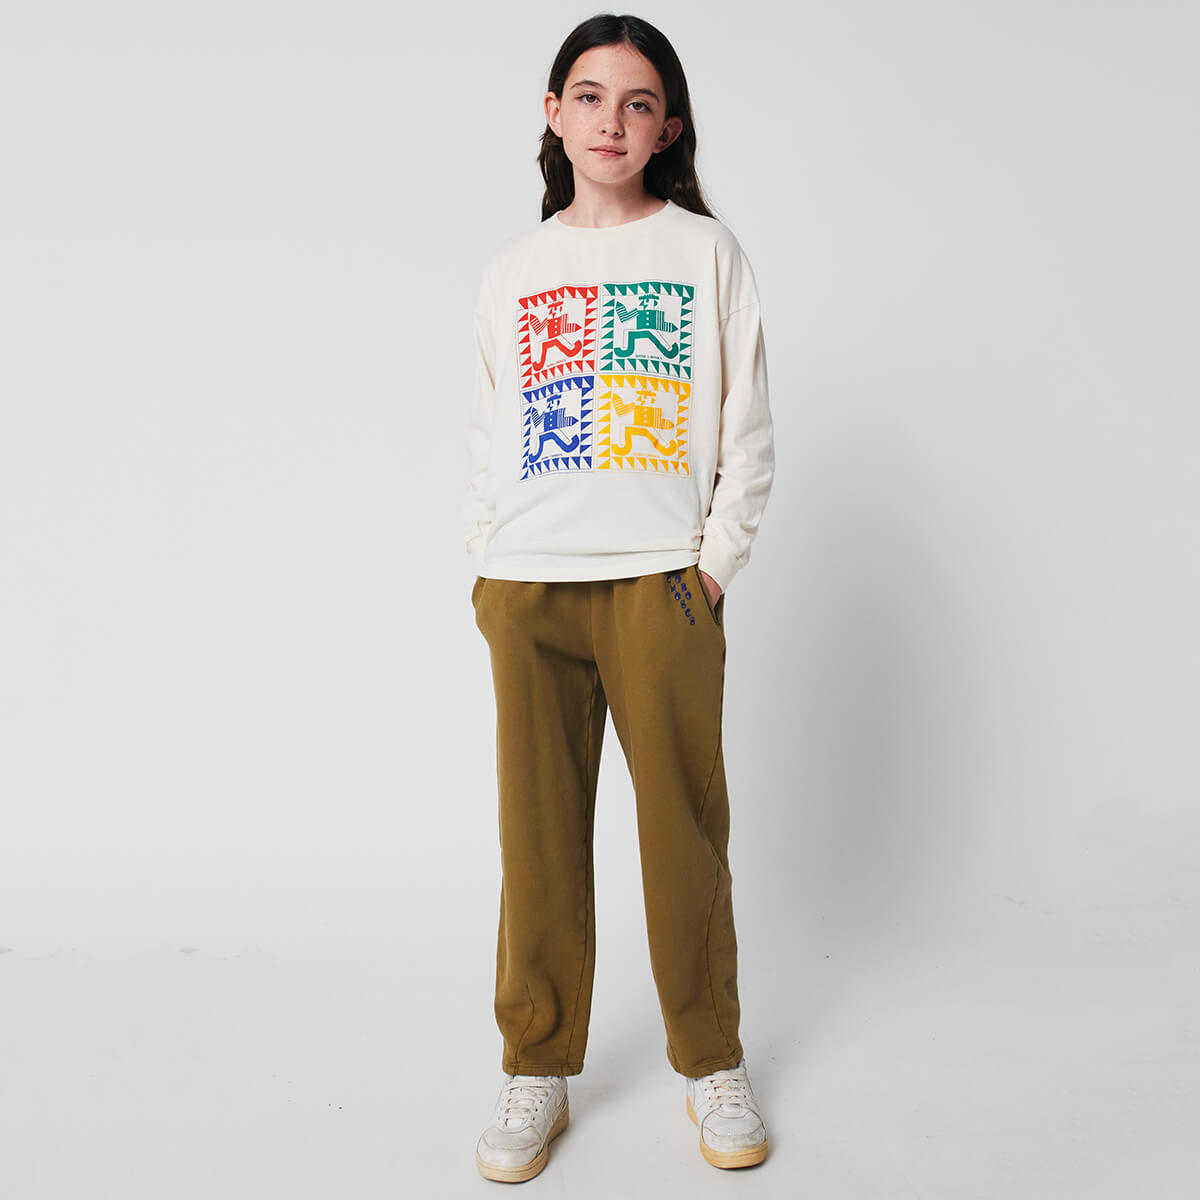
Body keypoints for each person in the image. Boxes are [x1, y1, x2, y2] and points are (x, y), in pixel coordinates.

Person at [461, 12, 775, 1183]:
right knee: (537, 837)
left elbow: (747, 431)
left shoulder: (705, 252)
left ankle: (711, 1059)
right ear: (554, 115)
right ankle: (535, 1064)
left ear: (668, 128)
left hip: (659, 588)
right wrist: (487, 562)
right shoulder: (514, 268)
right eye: (589, 97)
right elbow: (490, 429)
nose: (612, 121)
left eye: (638, 102)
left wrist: (711, 569)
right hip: (529, 586)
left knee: (681, 832)